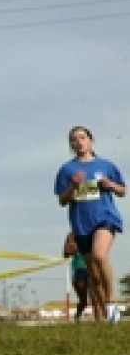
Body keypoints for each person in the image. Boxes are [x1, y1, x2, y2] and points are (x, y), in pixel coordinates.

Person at [54, 126, 125, 322]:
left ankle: (111, 303)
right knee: (92, 275)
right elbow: (62, 200)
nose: (79, 142)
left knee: (99, 255)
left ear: (91, 141)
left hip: (105, 218)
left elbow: (122, 191)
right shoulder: (67, 170)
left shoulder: (106, 165)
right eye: (74, 139)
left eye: (82, 137)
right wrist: (73, 187)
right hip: (81, 224)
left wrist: (111, 185)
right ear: (71, 144)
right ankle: (103, 317)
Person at [63, 232, 89, 322]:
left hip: (92, 268)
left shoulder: (93, 233)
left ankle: (103, 316)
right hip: (79, 270)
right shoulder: (72, 235)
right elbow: (66, 254)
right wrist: (71, 245)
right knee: (83, 300)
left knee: (96, 295)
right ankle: (77, 316)